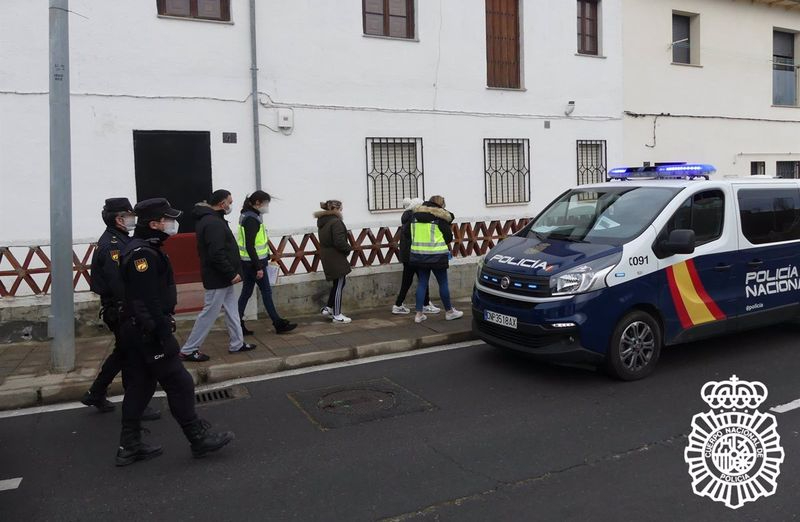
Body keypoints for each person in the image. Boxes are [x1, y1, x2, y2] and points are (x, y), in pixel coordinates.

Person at [116, 198, 234, 466]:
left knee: (141, 387)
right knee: (180, 383)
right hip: (147, 333)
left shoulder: (146, 248)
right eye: (167, 219)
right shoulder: (143, 254)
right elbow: (145, 302)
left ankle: (129, 446)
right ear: (155, 224)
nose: (172, 223)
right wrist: (161, 334)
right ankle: (198, 438)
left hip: (134, 331)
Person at [81, 198, 160, 421]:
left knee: (123, 352)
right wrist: (138, 310)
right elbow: (120, 285)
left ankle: (95, 393)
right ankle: (136, 405)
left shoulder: (121, 239)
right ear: (119, 218)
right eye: (129, 215)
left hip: (123, 309)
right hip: (121, 310)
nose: (132, 220)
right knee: (133, 358)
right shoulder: (112, 246)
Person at [180, 190, 256, 362]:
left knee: (232, 310)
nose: (231, 205)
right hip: (219, 277)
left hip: (222, 276)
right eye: (230, 202)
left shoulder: (213, 220)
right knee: (209, 313)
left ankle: (237, 343)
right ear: (222, 204)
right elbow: (216, 253)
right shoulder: (213, 222)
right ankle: (188, 349)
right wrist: (231, 273)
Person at [236, 191, 297, 335]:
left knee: (246, 293)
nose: (267, 207)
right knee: (266, 292)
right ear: (258, 202)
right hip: (254, 264)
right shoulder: (252, 219)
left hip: (248, 263)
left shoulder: (247, 215)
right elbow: (250, 246)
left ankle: (237, 323)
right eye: (266, 203)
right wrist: (259, 267)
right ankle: (278, 323)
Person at [406, 195, 464, 323]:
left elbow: (406, 233)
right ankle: (449, 312)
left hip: (419, 255)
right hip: (437, 256)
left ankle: (418, 314)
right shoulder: (439, 218)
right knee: (442, 283)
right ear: (440, 205)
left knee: (422, 283)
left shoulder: (414, 217)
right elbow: (448, 237)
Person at [392, 197, 440, 316]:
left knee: (407, 281)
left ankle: (398, 305)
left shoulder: (406, 217)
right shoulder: (414, 219)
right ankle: (426, 305)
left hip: (406, 255)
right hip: (414, 254)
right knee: (423, 279)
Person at [315, 200, 352, 323]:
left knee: (338, 283)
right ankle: (337, 314)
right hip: (336, 257)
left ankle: (329, 308)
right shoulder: (336, 222)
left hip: (327, 256)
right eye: (341, 209)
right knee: (340, 283)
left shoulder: (323, 222)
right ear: (336, 209)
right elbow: (339, 242)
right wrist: (348, 249)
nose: (341, 211)